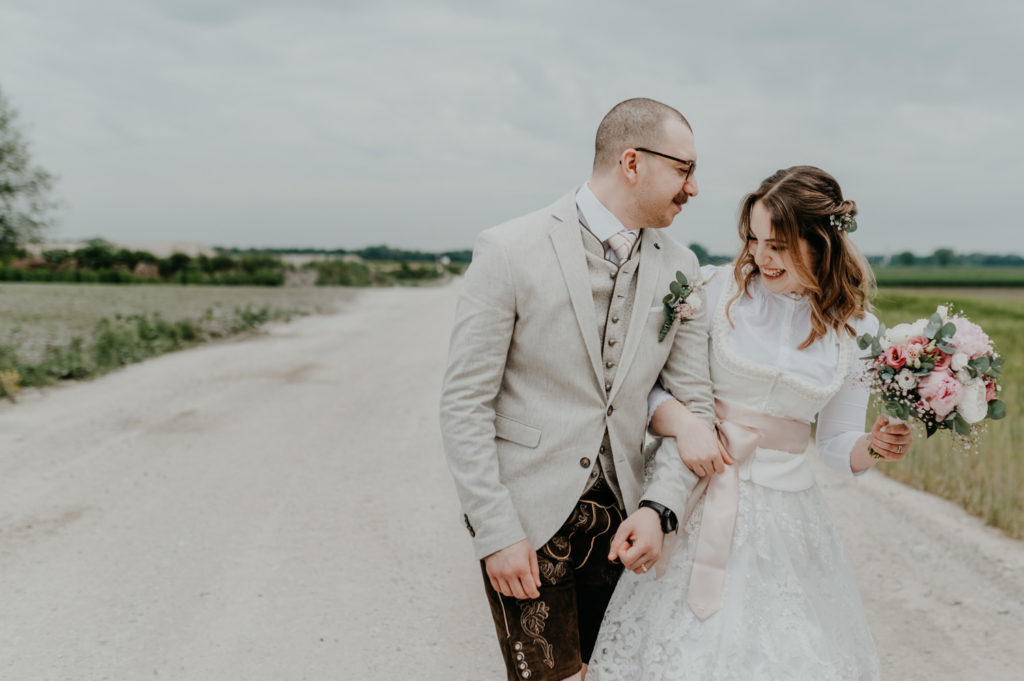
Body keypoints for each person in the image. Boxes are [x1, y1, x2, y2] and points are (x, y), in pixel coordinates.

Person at [587, 166, 914, 681]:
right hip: (695, 496)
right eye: (754, 239)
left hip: (789, 519)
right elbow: (642, 389)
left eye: (779, 245)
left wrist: (872, 446)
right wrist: (688, 427)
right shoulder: (714, 290)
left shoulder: (860, 330)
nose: (761, 256)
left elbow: (833, 443)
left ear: (823, 243)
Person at [439, 98, 717, 681]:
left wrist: (661, 508)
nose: (694, 188)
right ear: (632, 161)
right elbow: (465, 403)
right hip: (527, 526)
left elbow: (691, 403)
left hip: (626, 528)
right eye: (685, 169)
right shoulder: (509, 249)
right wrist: (495, 532)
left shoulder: (682, 267)